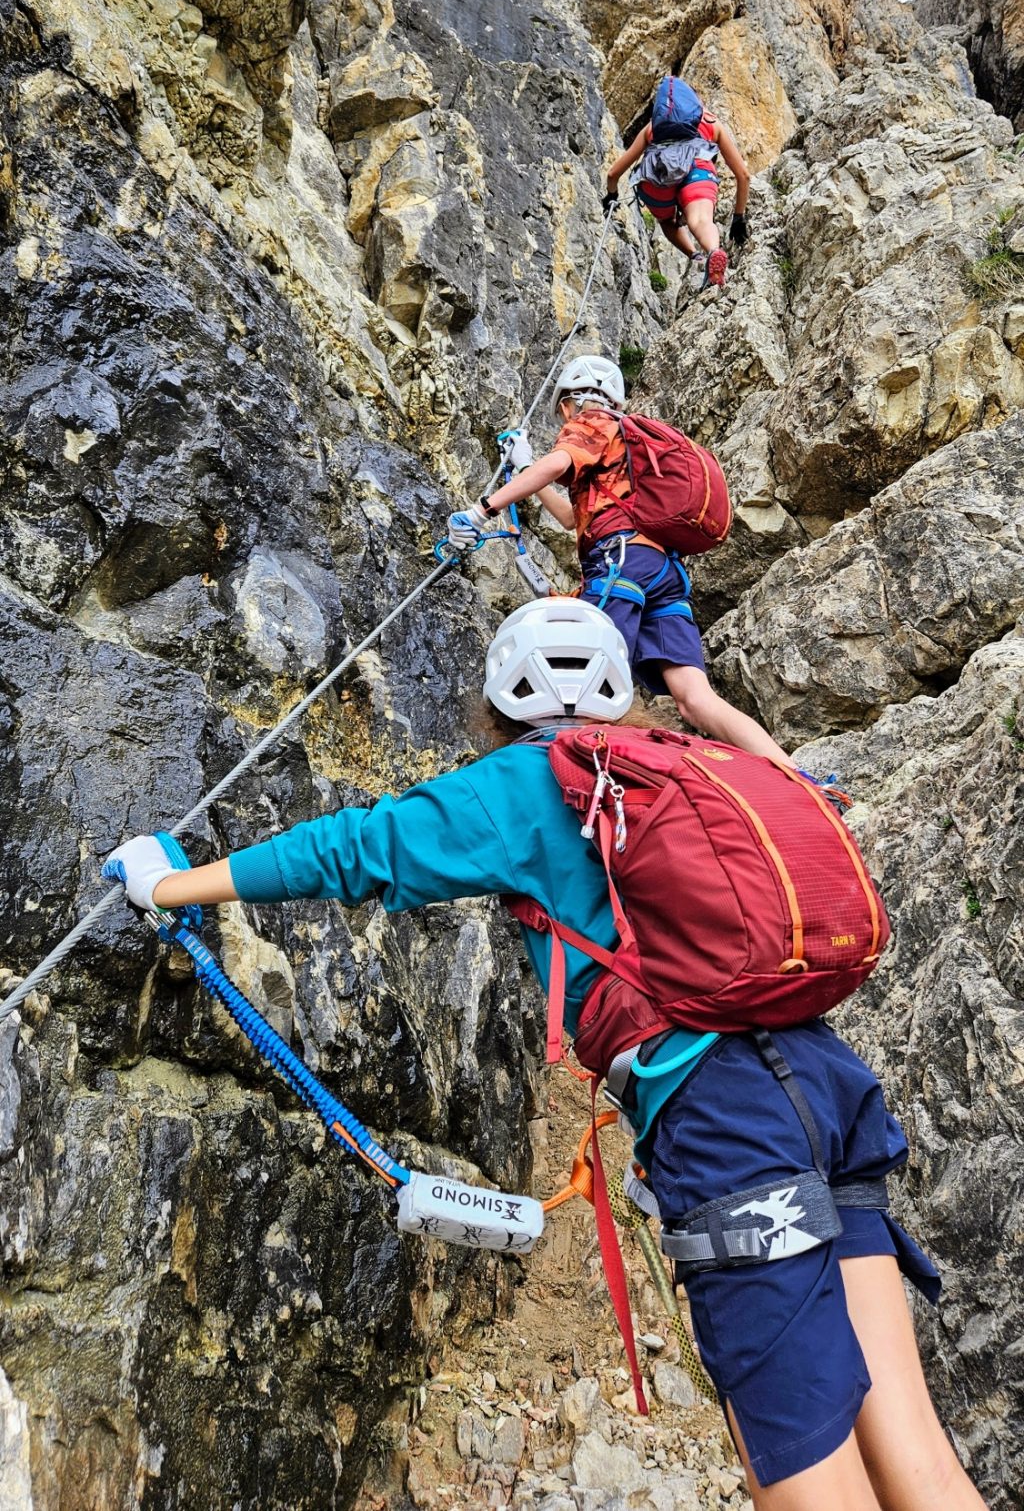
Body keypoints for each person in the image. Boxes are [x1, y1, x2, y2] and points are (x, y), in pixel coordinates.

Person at [104, 599, 987, 1511]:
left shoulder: (528, 783)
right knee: (919, 1459)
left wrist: (167, 883)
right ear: (623, 691)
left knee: (812, 1484)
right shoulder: (698, 760)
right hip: (830, 1084)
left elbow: (353, 850)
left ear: (498, 701)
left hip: (727, 1124)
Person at [447, 354, 792, 766]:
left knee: (581, 679)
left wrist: (482, 510)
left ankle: (586, 784)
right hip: (663, 571)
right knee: (696, 700)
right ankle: (796, 776)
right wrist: (524, 466)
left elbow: (558, 463)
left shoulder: (589, 421)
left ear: (565, 406)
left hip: (621, 560)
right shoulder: (627, 447)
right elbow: (573, 519)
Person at [604, 82, 750, 289]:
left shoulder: (654, 127)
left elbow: (613, 173)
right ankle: (713, 252)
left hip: (658, 182)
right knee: (700, 220)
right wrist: (738, 217)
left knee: (666, 221)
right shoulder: (711, 123)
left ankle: (695, 255)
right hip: (697, 172)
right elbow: (743, 175)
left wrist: (611, 196)